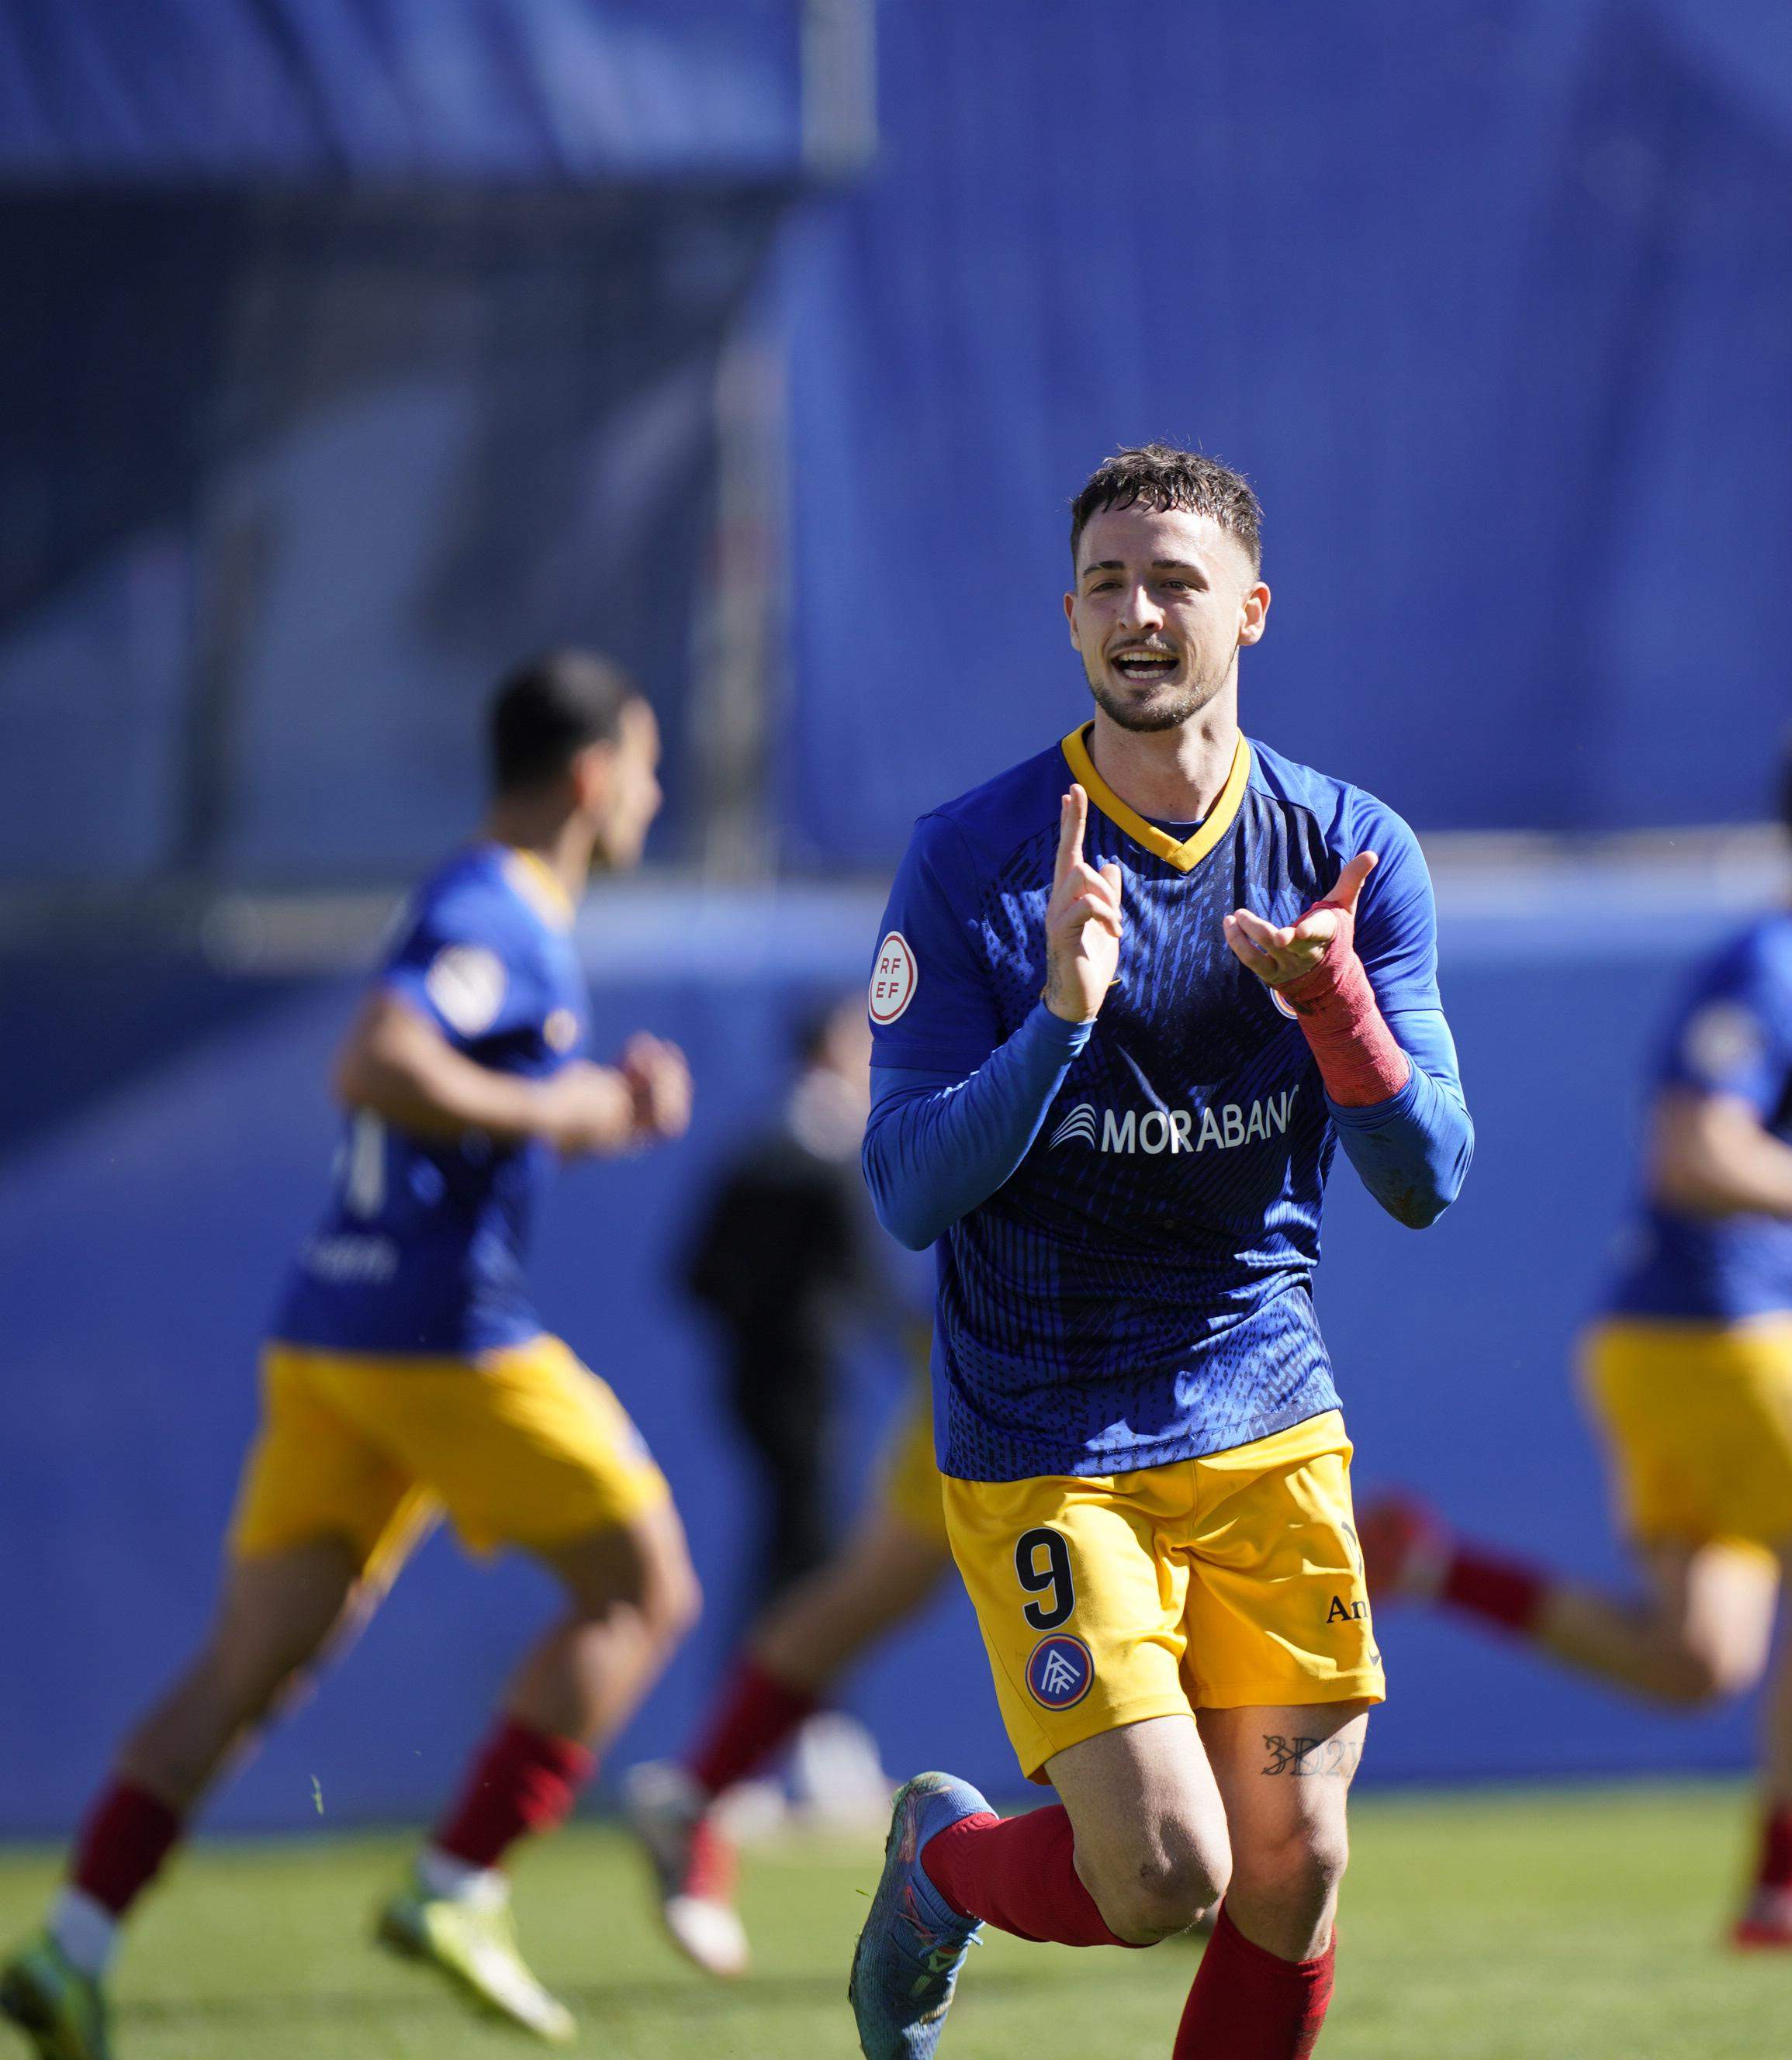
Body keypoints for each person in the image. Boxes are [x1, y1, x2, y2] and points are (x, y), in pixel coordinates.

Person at [839, 445, 1473, 2059]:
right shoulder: (976, 857)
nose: (1140, 612)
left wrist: (1338, 1014)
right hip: (1046, 1429)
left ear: (1250, 611)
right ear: (1068, 618)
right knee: (1162, 1870)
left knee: (1297, 1859)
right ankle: (942, 1867)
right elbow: (907, 1185)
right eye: (1109, 585)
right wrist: (1058, 1016)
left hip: (1264, 1410)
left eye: (1175, 581)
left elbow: (1428, 1174)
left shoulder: (1350, 854)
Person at [0, 652, 702, 2056]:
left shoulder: (483, 899)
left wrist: (580, 1103)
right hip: (441, 1338)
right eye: (646, 764)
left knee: (248, 1666)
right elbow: (378, 1057)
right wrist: (563, 1113)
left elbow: (444, 1069)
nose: (656, 793)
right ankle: (457, 1885)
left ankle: (70, 1947)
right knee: (646, 1590)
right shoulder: (499, 897)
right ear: (589, 777)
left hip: (331, 1338)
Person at [1362, 686, 1792, 1959]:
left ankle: (1427, 1563)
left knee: (1695, 1662)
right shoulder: (1776, 965)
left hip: (1660, 1340)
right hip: (1720, 1329)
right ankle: (1786, 1897)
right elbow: (1690, 1153)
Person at [628, 1006, 953, 1977]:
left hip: (836, 1375)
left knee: (839, 1572)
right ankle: (921, 1868)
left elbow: (697, 1273)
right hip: (975, 1366)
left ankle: (717, 1782)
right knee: (832, 1569)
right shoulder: (812, 1139)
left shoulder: (783, 1139)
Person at [680, 1000, 902, 1613]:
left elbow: (698, 1277)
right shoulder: (822, 1156)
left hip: (758, 1384)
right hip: (802, 1388)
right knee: (804, 1543)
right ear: (830, 1047)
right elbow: (866, 1283)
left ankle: (772, 1696)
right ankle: (784, 1699)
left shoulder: (758, 1146)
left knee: (791, 1539)